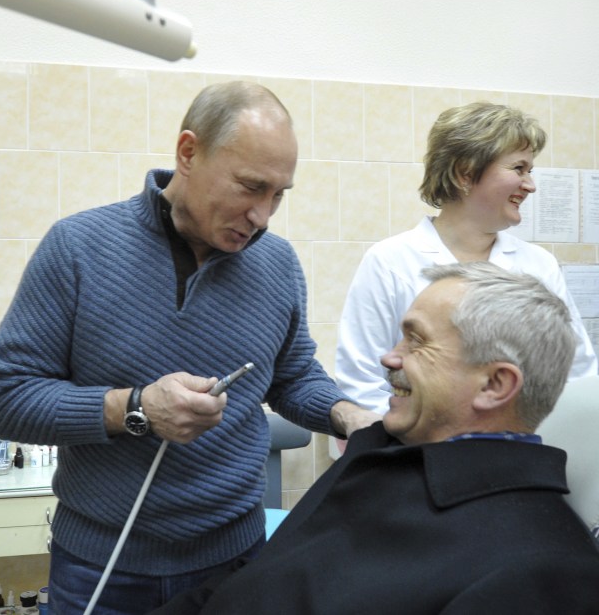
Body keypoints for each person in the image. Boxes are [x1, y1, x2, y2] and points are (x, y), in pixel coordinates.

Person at [0, 81, 378, 614]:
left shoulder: (278, 265)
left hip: (234, 562)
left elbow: (293, 377)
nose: (263, 215)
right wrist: (135, 408)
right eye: (250, 187)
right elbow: (5, 400)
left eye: (278, 194)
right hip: (100, 567)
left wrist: (348, 415)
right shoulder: (79, 249)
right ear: (189, 152)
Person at [152, 262, 599, 614]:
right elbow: (257, 578)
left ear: (494, 385)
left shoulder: (543, 573)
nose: (390, 357)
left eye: (416, 342)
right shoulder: (381, 449)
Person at [336, 101, 597, 415]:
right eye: (519, 168)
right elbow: (360, 382)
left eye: (530, 170)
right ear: (465, 172)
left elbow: (577, 374)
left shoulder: (538, 264)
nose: (530, 185)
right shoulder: (390, 261)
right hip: (419, 453)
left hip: (522, 450)